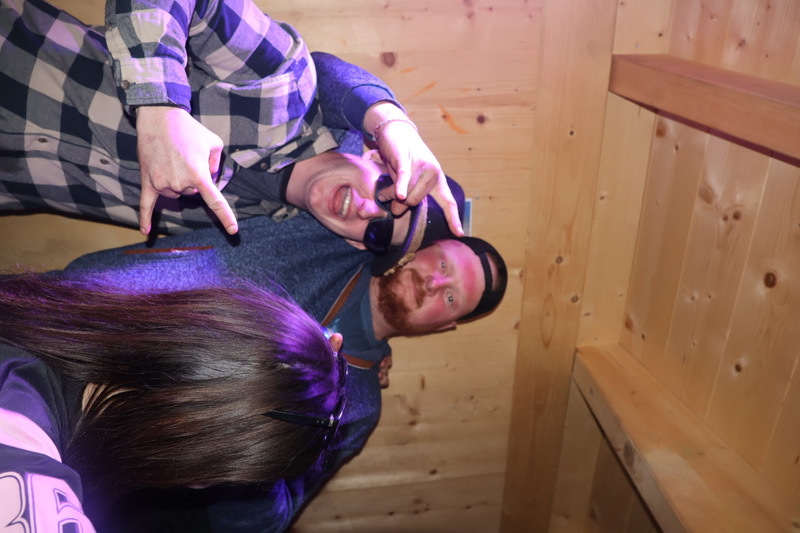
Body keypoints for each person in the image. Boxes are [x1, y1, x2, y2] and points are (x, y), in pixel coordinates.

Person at [61, 209, 508, 531]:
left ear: (444, 326)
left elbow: (267, 523)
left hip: (94, 461)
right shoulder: (332, 236)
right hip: (76, 327)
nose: (435, 282)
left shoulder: (358, 406)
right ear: (423, 247)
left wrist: (265, 452)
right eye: (443, 263)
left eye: (452, 297)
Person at [0, 0, 463, 245]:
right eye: (385, 192)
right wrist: (159, 104)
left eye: (377, 230)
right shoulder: (284, 87)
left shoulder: (242, 232)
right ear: (375, 156)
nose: (366, 210)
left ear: (358, 244)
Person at [0, 273, 347, 530]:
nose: (205, 486)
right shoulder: (24, 448)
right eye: (225, 474)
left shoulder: (62, 319)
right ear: (197, 424)